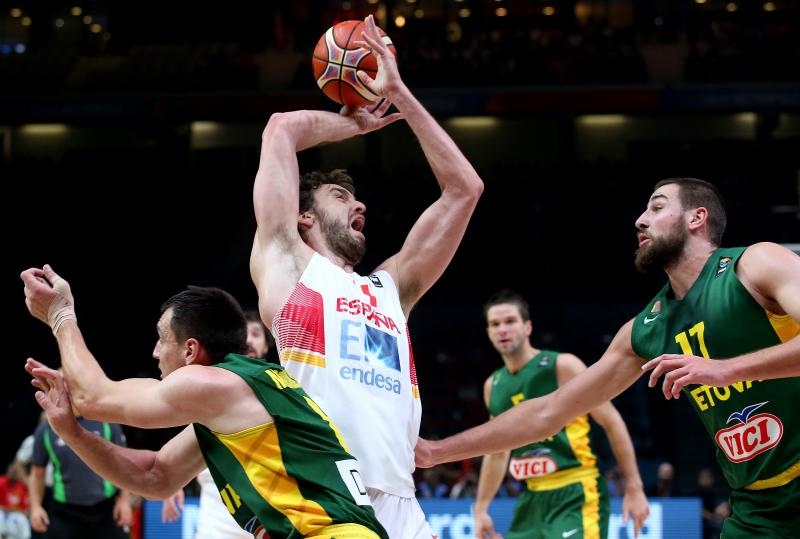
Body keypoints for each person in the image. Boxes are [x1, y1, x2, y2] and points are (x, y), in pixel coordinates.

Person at [415, 178, 800, 538]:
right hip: (757, 505)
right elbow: (548, 412)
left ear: (697, 218)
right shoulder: (644, 330)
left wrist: (726, 369)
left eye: (657, 208)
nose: (640, 220)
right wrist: (437, 451)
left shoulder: (754, 264)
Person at [249, 13, 483, 538]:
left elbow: (464, 190)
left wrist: (399, 95)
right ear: (304, 218)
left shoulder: (390, 289)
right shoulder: (288, 262)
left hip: (402, 502)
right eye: (340, 196)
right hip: (326, 501)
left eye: (356, 198)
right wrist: (355, 125)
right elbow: (280, 129)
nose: (360, 205)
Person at [20, 266, 389, 539]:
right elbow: (156, 476)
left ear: (190, 350)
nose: (155, 352)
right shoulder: (235, 404)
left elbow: (93, 397)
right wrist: (73, 433)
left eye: (161, 339)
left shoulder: (216, 384)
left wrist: (60, 315)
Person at [474, 289, 649, 538]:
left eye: (510, 321)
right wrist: (480, 509)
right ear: (488, 332)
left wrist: (634, 486)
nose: (502, 329)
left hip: (577, 490)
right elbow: (497, 451)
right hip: (531, 497)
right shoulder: (493, 385)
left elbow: (612, 421)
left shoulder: (562, 366)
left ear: (527, 327)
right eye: (495, 324)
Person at [160, 308, 274, 539]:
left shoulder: (281, 386)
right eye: (244, 335)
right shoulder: (207, 386)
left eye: (256, 334)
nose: (249, 341)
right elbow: (190, 442)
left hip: (270, 516)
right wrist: (174, 481)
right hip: (216, 518)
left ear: (266, 345)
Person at [28, 386, 132, 539]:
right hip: (65, 512)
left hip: (106, 508)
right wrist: (36, 507)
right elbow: (37, 474)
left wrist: (125, 501)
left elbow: (123, 464)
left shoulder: (106, 423)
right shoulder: (46, 430)